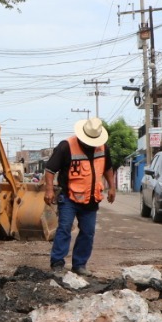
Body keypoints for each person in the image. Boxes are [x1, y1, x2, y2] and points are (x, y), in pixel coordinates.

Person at [43, 117, 116, 276]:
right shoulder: (66, 146)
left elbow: (108, 168)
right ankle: (57, 262)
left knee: (88, 232)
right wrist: (49, 190)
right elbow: (49, 170)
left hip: (91, 198)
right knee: (64, 228)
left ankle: (79, 264)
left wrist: (112, 187)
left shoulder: (103, 148)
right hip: (69, 197)